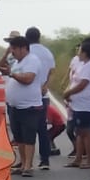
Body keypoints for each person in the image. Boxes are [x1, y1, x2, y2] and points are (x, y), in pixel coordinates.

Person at [3, 35, 46, 176]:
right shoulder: (17, 62)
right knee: (19, 137)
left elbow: (28, 79)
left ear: (23, 48)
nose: (12, 52)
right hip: (15, 106)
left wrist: (12, 74)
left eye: (14, 48)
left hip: (29, 106)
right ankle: (22, 163)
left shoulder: (32, 61)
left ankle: (28, 166)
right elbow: (2, 66)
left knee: (29, 137)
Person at [66, 39, 90, 170]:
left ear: (85, 53)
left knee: (86, 133)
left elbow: (82, 85)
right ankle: (78, 158)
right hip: (77, 103)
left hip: (85, 104)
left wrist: (68, 93)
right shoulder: (82, 65)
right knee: (79, 132)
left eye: (80, 50)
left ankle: (89, 160)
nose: (78, 52)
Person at [25, 27, 56, 168]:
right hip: (43, 95)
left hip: (27, 96)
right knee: (42, 128)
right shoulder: (47, 52)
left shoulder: (26, 52)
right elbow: (52, 71)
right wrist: (46, 86)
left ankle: (26, 162)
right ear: (39, 37)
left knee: (26, 129)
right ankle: (45, 159)